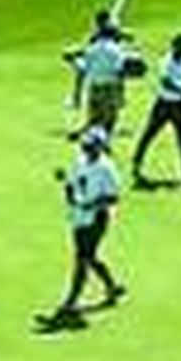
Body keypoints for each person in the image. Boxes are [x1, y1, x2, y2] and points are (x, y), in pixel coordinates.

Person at [45, 123, 125, 323]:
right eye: (85, 145)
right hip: (78, 217)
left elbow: (113, 197)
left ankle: (71, 301)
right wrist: (69, 194)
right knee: (89, 257)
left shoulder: (107, 169)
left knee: (82, 259)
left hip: (96, 219)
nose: (86, 149)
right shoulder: (80, 162)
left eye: (90, 146)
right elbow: (72, 184)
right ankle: (112, 286)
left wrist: (92, 204)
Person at [131, 31, 181, 186]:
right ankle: (136, 162)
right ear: (175, 47)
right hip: (165, 103)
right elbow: (166, 82)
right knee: (149, 133)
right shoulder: (166, 61)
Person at [64, 10, 130, 141]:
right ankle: (100, 143)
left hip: (94, 87)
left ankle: (86, 136)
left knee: (94, 118)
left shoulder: (92, 49)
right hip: (109, 88)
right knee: (109, 120)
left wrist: (73, 59)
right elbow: (120, 71)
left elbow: (83, 67)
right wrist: (121, 93)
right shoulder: (116, 50)